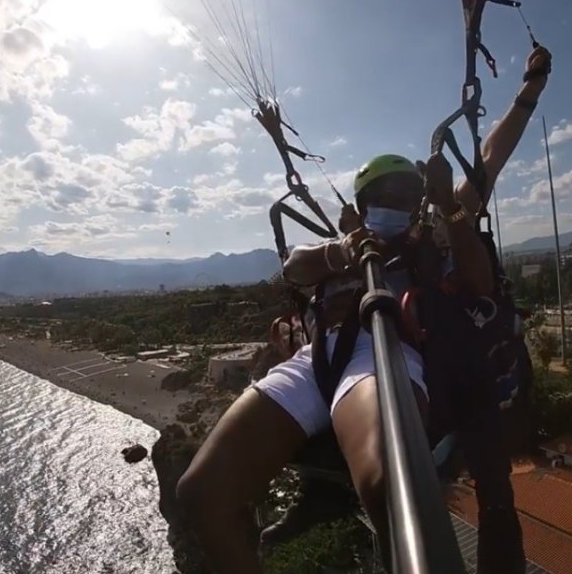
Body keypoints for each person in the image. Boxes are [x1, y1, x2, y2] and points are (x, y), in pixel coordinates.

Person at [176, 45, 551, 574]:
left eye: (403, 197)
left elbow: (489, 158)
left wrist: (529, 90)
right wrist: (345, 251)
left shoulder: (434, 234)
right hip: (315, 362)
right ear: (360, 205)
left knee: (388, 485)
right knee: (201, 494)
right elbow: (295, 265)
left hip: (386, 354)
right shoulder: (342, 247)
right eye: (381, 197)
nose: (392, 206)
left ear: (418, 204)